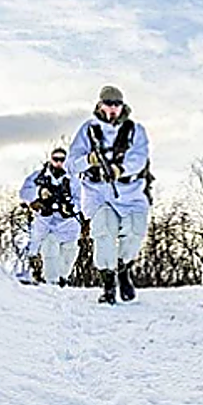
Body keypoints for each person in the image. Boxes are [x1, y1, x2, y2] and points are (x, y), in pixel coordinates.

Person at [67, 85, 151, 305]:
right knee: (103, 233)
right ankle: (108, 284)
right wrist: (89, 160)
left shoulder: (135, 130)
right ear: (100, 105)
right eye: (108, 104)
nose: (112, 109)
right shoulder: (88, 130)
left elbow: (139, 158)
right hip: (98, 193)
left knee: (134, 233)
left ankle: (123, 269)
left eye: (117, 104)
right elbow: (71, 165)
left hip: (130, 192)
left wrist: (120, 170)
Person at [19, 147, 82, 286]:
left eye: (62, 159)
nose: (59, 163)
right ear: (51, 159)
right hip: (46, 222)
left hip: (68, 224)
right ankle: (51, 282)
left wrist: (70, 207)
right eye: (56, 159)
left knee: (69, 253)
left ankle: (62, 277)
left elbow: (81, 200)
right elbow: (23, 192)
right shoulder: (38, 176)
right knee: (49, 248)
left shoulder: (73, 180)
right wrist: (39, 192)